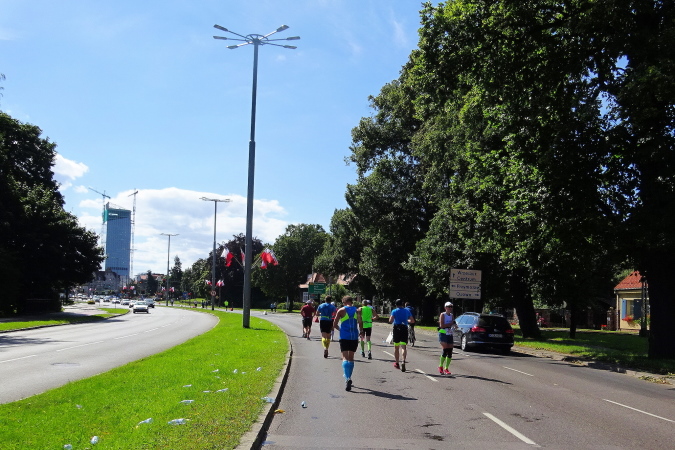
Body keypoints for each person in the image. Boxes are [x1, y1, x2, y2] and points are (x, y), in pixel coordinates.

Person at [333, 296, 364, 391]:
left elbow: (334, 324)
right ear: (351, 301)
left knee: (345, 357)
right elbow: (360, 322)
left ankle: (347, 378)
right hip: (354, 336)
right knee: (351, 358)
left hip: (344, 336)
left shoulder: (341, 310)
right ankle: (349, 377)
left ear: (344, 302)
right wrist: (361, 331)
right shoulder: (357, 311)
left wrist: (341, 330)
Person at [388, 299, 414, 372]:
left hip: (396, 329)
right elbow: (412, 321)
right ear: (402, 304)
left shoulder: (394, 311)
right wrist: (407, 321)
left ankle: (397, 363)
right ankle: (403, 361)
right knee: (403, 347)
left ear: (396, 304)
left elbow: (390, 320)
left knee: (396, 347)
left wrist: (394, 319)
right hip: (404, 329)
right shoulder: (406, 311)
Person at [438, 302, 456, 375]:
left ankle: (446, 368)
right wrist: (450, 324)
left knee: (450, 351)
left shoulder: (451, 315)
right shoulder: (443, 314)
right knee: (445, 350)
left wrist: (455, 326)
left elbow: (453, 324)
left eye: (451, 307)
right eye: (448, 306)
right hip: (443, 333)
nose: (450, 308)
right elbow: (442, 325)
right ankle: (440, 366)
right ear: (445, 307)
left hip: (449, 333)